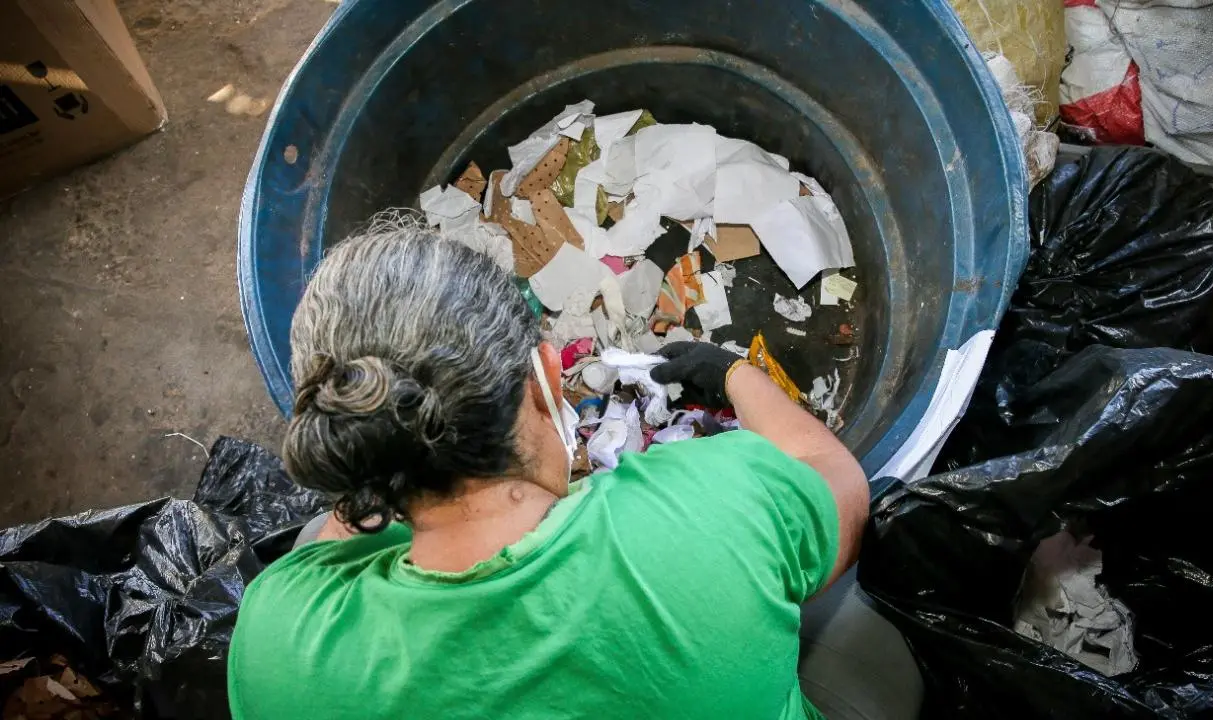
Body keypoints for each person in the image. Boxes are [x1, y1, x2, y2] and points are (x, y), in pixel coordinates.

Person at [228, 217, 922, 719]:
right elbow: (842, 488)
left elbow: (341, 539)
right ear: (542, 382)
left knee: (312, 536)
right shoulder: (702, 514)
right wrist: (735, 376)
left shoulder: (279, 638)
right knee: (873, 631)